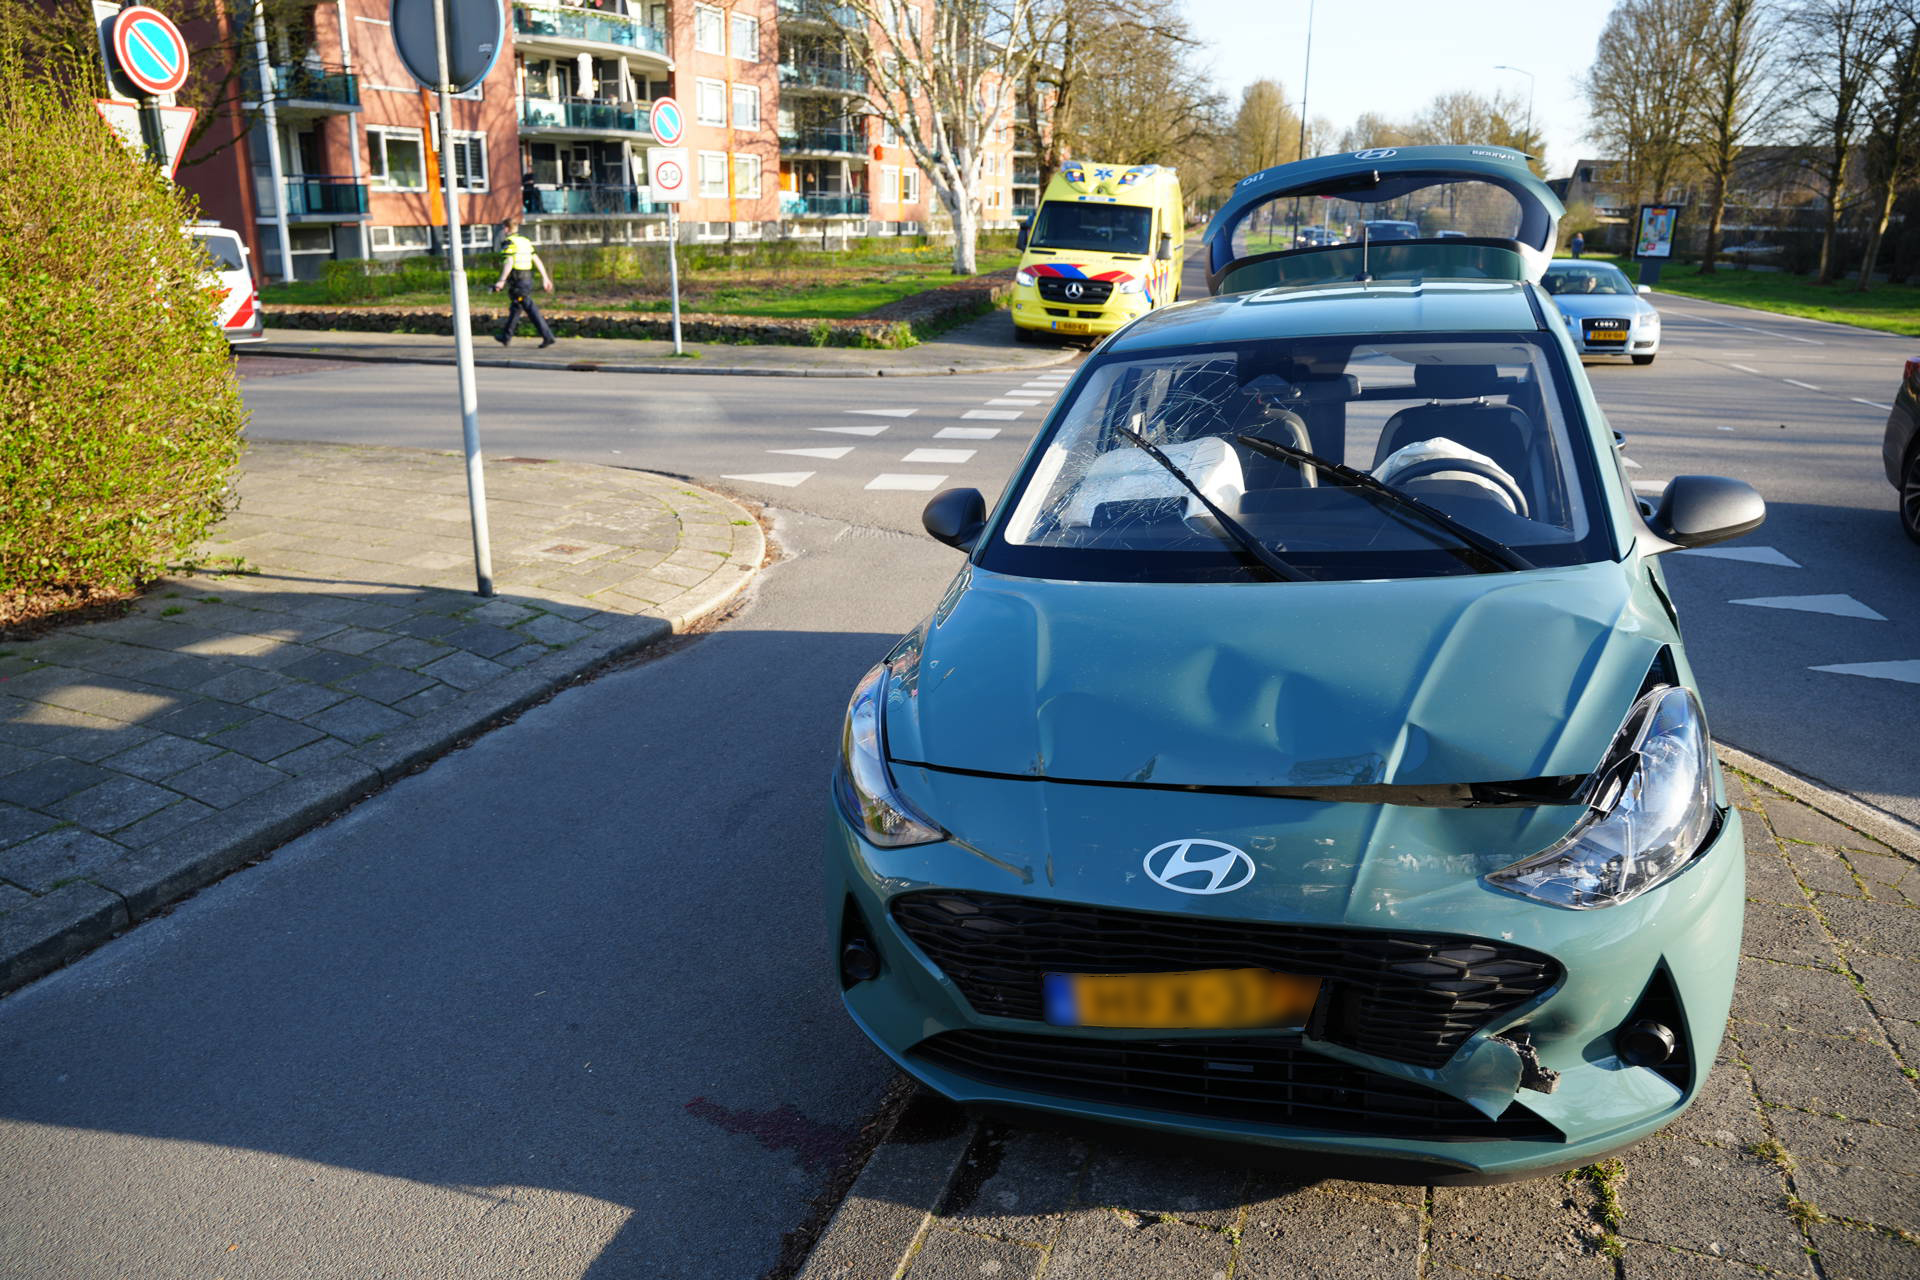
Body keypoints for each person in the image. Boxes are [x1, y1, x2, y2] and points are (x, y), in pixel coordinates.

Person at [490, 215, 556, 348]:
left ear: (506, 228)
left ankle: (547, 336)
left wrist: (501, 281)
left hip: (518, 281)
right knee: (515, 308)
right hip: (527, 280)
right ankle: (506, 337)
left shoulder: (509, 243)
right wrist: (545, 277)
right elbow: (536, 259)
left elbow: (509, 262)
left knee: (531, 309)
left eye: (503, 227)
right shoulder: (525, 241)